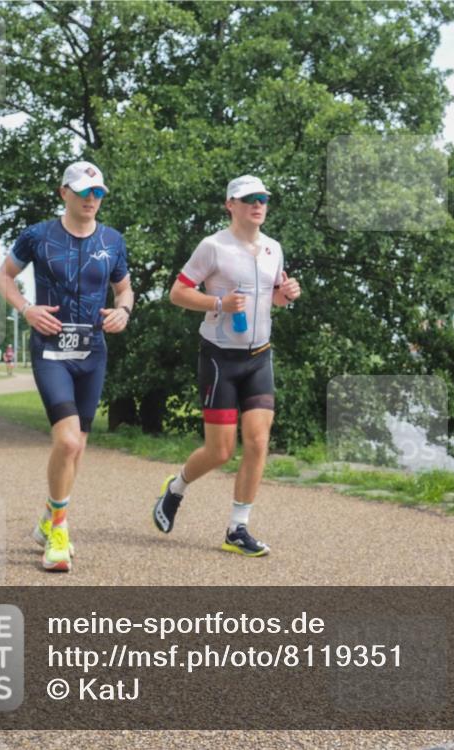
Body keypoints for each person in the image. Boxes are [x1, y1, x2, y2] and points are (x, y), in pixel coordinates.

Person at [0, 161, 133, 572]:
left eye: (99, 192)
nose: (92, 199)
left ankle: (48, 517)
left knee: (78, 447)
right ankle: (59, 532)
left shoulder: (113, 239)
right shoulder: (38, 235)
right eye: (84, 191)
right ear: (64, 193)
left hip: (92, 354)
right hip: (51, 351)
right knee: (68, 442)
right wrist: (27, 308)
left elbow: (124, 289)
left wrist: (123, 312)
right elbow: (3, 277)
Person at [152, 175, 300, 557]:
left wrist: (286, 296)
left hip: (259, 356)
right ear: (230, 204)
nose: (258, 204)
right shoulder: (212, 247)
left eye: (263, 198)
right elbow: (177, 293)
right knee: (220, 451)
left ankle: (238, 528)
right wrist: (218, 304)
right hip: (220, 357)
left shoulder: (273, 248)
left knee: (258, 441)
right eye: (249, 198)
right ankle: (176, 487)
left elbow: (274, 300)